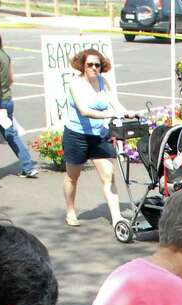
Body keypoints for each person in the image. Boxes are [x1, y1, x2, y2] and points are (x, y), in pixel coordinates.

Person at [62, 48, 127, 228]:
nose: (94, 68)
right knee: (72, 177)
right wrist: (110, 114)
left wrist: (126, 113)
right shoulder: (75, 84)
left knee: (109, 176)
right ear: (82, 65)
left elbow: (115, 102)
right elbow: (84, 110)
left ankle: (117, 218)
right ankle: (70, 211)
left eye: (97, 65)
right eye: (89, 64)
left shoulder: (103, 82)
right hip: (76, 136)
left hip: (98, 136)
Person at [0, 23, 38, 179]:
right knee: (10, 134)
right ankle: (27, 165)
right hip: (6, 100)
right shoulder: (3, 54)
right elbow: (11, 79)